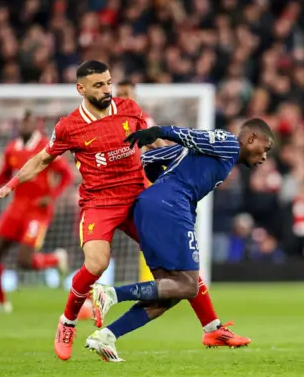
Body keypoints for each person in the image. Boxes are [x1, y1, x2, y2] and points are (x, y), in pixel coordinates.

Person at [0, 60, 250, 361]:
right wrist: (9, 185)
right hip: (99, 202)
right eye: (99, 85)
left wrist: (168, 170)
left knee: (178, 269)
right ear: (80, 89)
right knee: (96, 264)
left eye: (108, 82)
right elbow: (42, 160)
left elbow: (152, 145)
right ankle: (67, 322)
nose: (107, 89)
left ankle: (211, 327)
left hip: (139, 198)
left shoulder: (129, 109)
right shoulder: (68, 126)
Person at [87, 119, 273, 362]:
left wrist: (159, 181)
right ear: (251, 139)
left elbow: (150, 160)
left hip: (153, 205)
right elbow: (192, 135)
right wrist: (160, 132)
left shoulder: (206, 155)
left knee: (170, 293)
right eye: (265, 148)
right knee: (188, 285)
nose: (265, 157)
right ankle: (111, 294)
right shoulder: (229, 144)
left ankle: (107, 336)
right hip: (171, 206)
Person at [0, 111, 74, 313]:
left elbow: (66, 175)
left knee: (24, 261)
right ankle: (1, 302)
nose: (24, 126)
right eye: (21, 122)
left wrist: (52, 196)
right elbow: (5, 174)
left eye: (28, 122)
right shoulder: (12, 148)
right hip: (16, 207)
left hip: (38, 210)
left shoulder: (45, 147)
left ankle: (55, 259)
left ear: (36, 125)